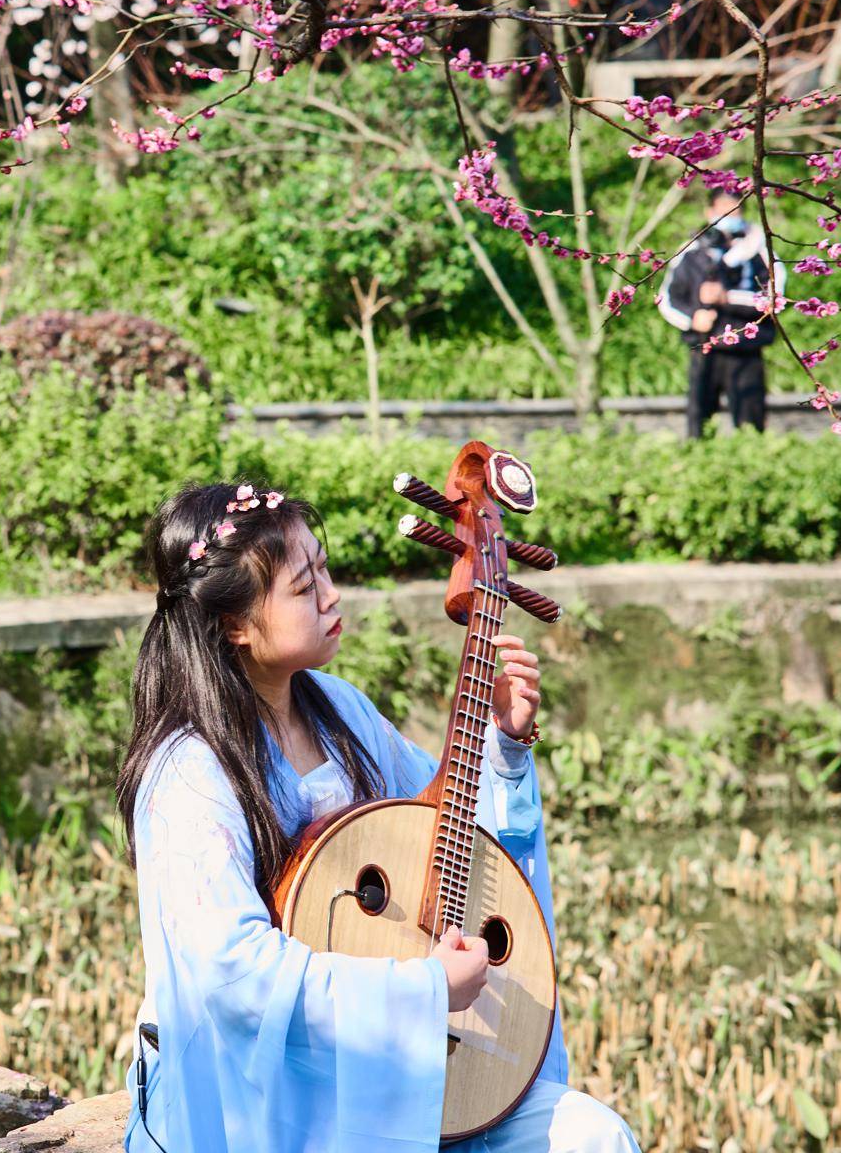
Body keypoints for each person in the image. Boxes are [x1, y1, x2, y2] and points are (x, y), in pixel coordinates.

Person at [116, 482, 640, 1153]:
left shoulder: (338, 711)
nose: (331, 596)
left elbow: (446, 843)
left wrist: (501, 743)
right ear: (234, 624)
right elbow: (232, 975)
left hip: (390, 1068)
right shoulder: (189, 772)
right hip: (263, 1101)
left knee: (591, 1137)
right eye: (304, 589)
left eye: (324, 572)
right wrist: (421, 990)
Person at [659, 190, 784, 439]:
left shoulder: (759, 248)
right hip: (703, 347)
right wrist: (692, 319)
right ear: (709, 212)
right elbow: (668, 298)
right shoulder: (690, 251)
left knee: (750, 427)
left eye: (735, 210)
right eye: (723, 210)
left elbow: (775, 298)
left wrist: (727, 298)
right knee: (700, 424)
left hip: (745, 349)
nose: (729, 215)